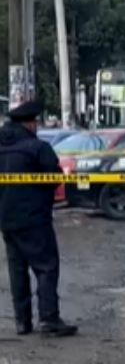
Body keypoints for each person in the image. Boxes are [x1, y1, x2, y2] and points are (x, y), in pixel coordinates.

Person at [0, 101, 77, 337]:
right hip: (34, 219)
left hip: (6, 220)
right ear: (31, 124)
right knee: (46, 268)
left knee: (17, 270)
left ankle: (22, 322)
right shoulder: (38, 148)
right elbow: (54, 179)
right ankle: (49, 319)